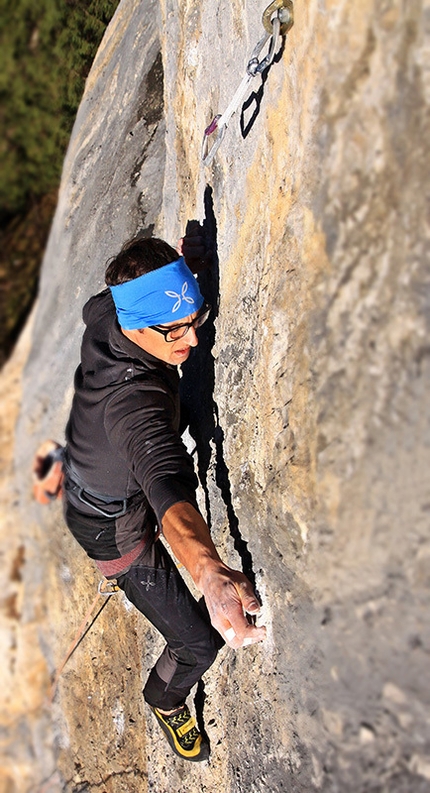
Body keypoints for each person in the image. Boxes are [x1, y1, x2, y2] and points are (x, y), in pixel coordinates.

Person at [62, 233, 266, 762]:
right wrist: (210, 576)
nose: (192, 341)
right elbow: (164, 486)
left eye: (194, 319)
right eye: (174, 329)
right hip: (112, 526)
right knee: (199, 643)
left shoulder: (114, 307)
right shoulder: (133, 402)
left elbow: (135, 292)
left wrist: (185, 277)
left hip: (101, 474)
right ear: (134, 326)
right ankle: (164, 698)